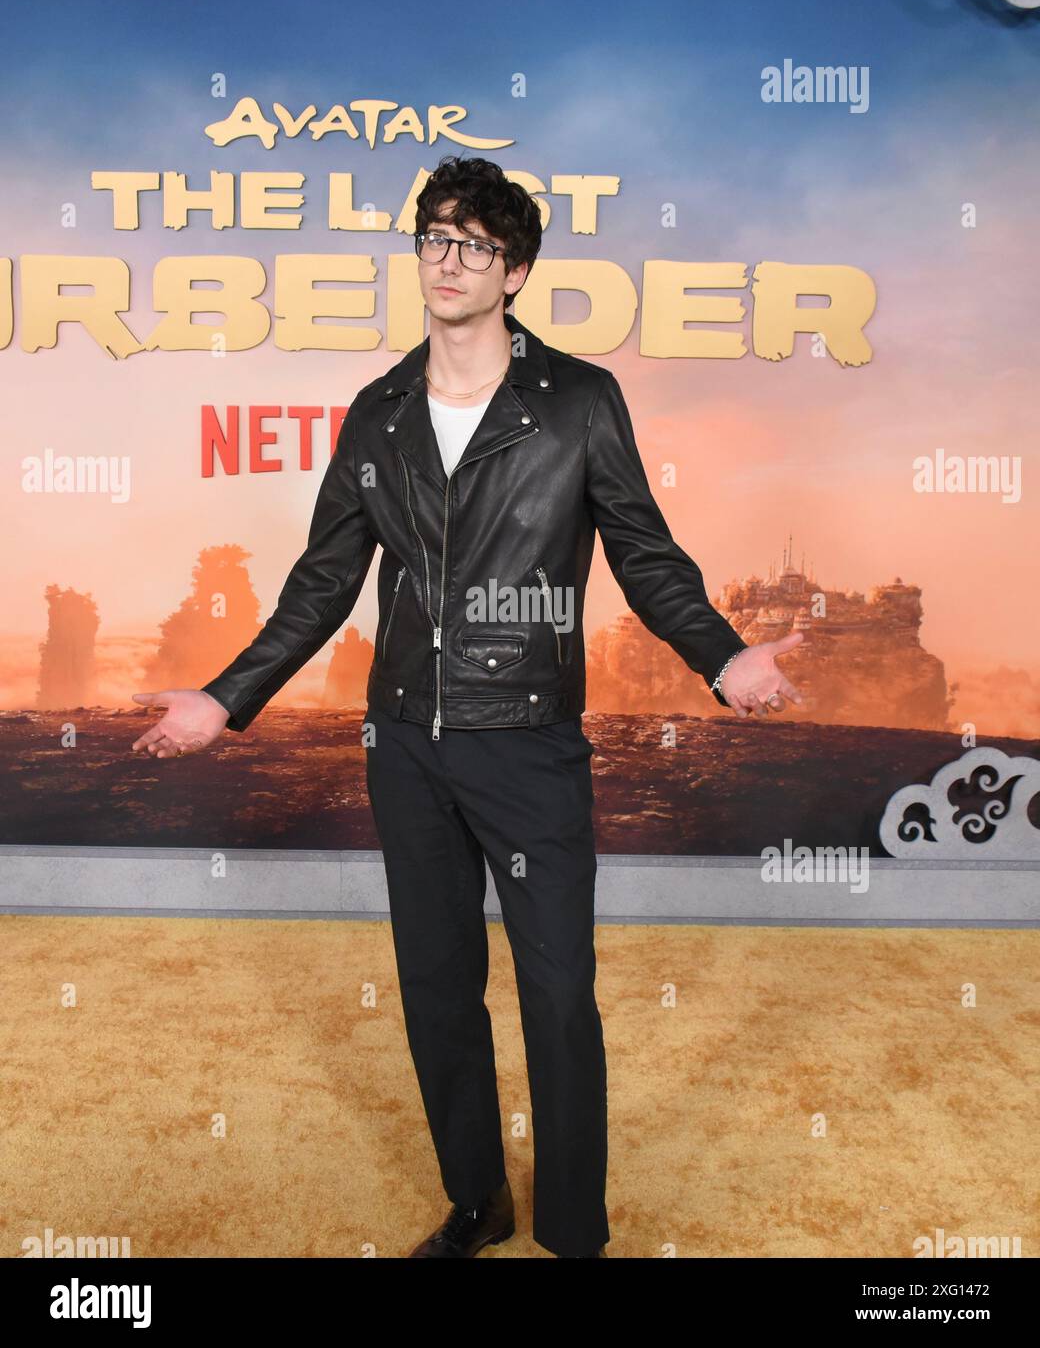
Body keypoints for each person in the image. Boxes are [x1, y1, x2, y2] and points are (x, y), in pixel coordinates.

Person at [131, 155, 803, 1258]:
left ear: (515, 270)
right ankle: (477, 1200)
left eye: (473, 243)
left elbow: (644, 554)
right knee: (438, 991)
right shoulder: (378, 412)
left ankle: (572, 1231)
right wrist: (223, 697)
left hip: (528, 743)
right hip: (404, 746)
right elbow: (320, 581)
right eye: (433, 238)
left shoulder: (579, 401)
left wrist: (723, 658)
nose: (447, 259)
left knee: (556, 997)